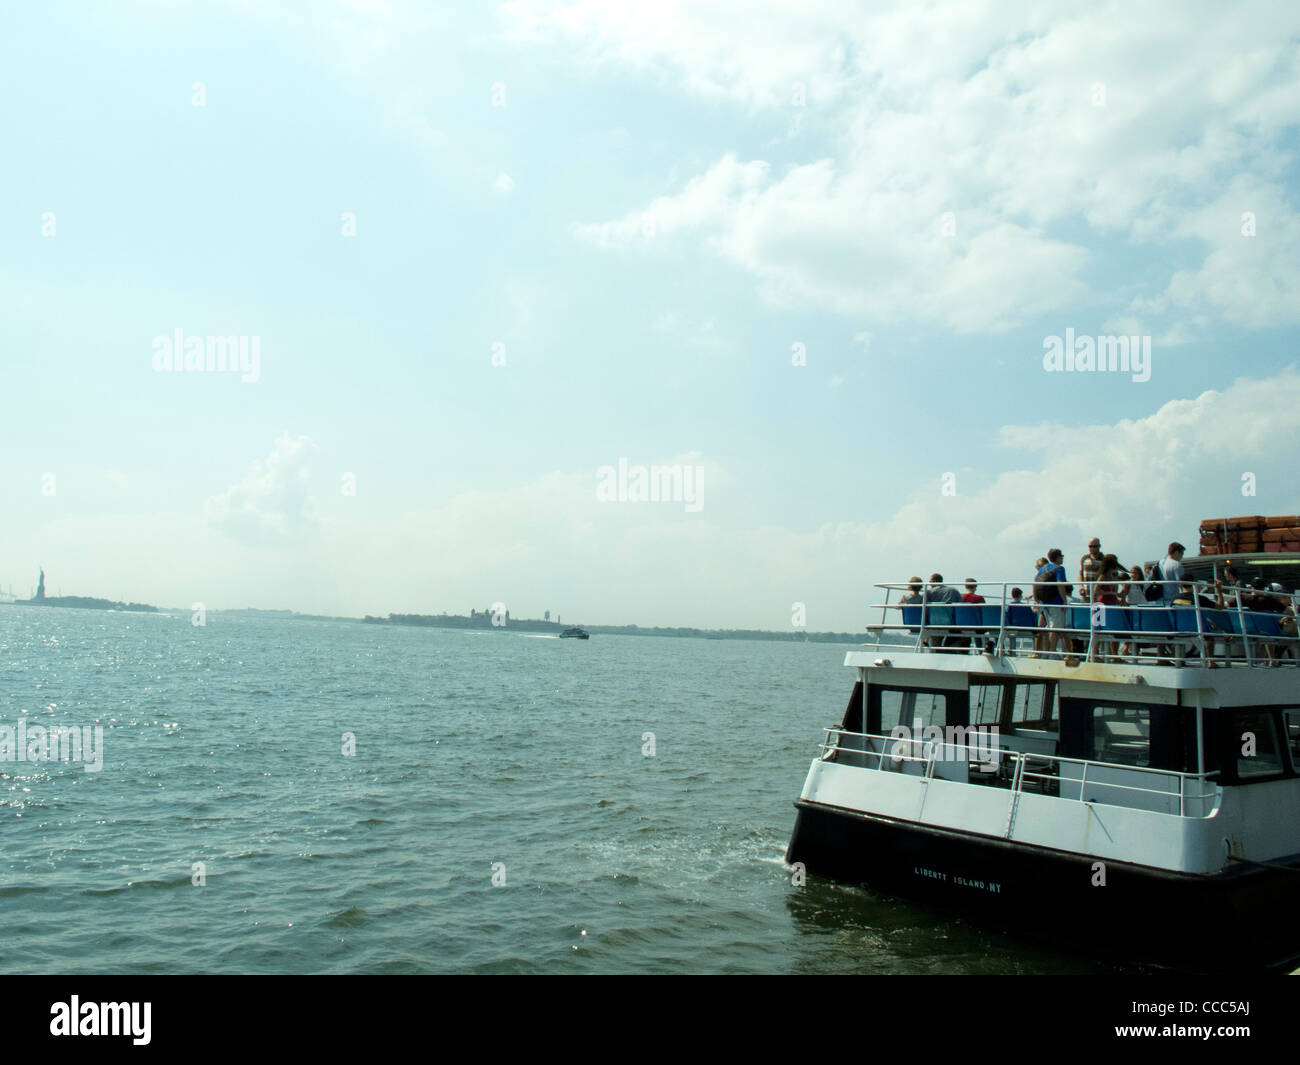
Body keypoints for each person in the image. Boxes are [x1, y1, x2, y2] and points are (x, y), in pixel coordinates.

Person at [1032, 549, 1067, 656]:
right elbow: (1060, 584)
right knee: (1055, 629)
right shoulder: (1060, 569)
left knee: (1049, 628)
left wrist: (1036, 600)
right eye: (1061, 556)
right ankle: (1052, 653)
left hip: (1044, 602)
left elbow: (1034, 583)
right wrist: (1064, 601)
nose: (1062, 558)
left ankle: (1047, 652)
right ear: (1057, 557)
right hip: (1055, 602)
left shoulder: (1043, 568)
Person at [1079, 537, 1104, 602]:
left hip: (1098, 595)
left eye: (1095, 546)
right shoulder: (1084, 558)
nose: (1092, 548)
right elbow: (1080, 574)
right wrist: (1081, 586)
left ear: (1099, 546)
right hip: (1086, 594)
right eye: (1090, 546)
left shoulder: (1104, 559)